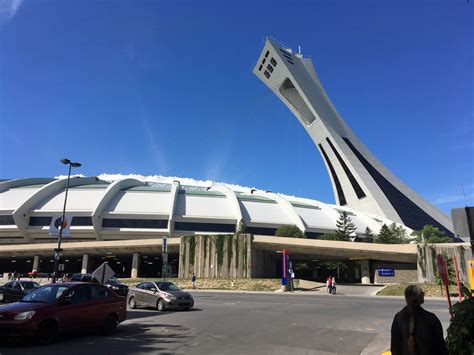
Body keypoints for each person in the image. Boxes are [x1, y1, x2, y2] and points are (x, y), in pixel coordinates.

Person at [390, 285, 448, 355]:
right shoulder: (431, 319)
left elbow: (395, 347)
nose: (423, 295)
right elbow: (440, 347)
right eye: (423, 293)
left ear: (406, 298)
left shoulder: (398, 318)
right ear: (420, 297)